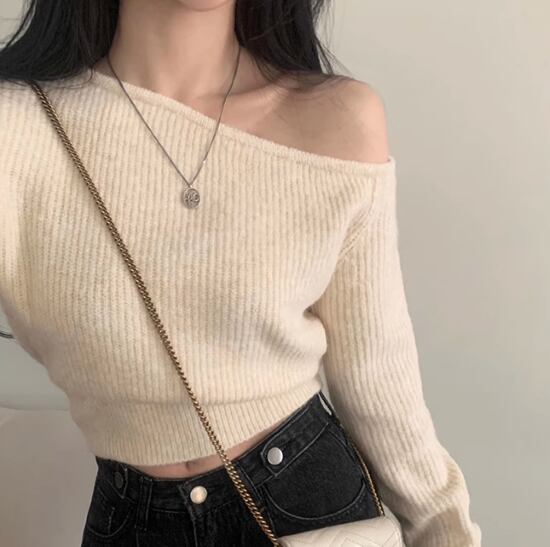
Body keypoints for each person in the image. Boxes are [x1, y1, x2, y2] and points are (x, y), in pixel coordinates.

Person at [0, 1, 482, 546]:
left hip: (308, 506)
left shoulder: (335, 119)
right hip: (130, 520)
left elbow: (380, 381)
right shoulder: (17, 126)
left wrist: (446, 531)